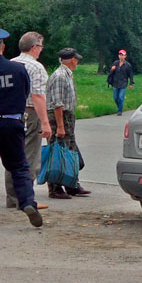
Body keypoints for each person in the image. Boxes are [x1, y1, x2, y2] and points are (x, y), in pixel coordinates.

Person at [0, 29, 44, 227]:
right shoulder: (18, 69)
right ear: (2, 46)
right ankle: (27, 202)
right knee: (19, 166)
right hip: (12, 122)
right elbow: (26, 92)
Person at [45, 48, 91, 198]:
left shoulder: (67, 74)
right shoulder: (59, 76)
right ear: (72, 60)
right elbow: (57, 104)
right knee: (58, 151)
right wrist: (60, 126)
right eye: (76, 59)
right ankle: (55, 188)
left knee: (69, 151)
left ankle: (72, 184)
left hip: (67, 116)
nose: (77, 61)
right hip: (60, 116)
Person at [106, 49, 135, 116]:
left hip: (123, 83)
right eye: (120, 55)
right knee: (115, 98)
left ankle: (120, 111)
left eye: (123, 55)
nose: (121, 56)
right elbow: (111, 73)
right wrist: (112, 69)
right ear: (118, 56)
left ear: (125, 56)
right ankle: (119, 106)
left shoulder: (128, 65)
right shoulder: (115, 63)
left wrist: (131, 83)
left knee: (121, 97)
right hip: (115, 83)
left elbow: (130, 75)